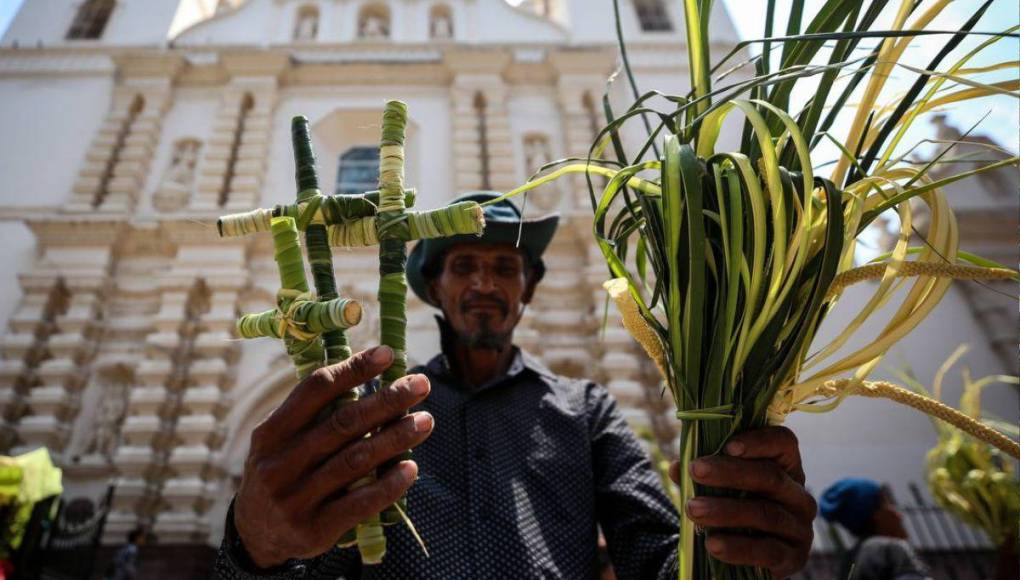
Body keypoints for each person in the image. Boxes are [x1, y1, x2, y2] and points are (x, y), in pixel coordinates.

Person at [215, 192, 818, 579]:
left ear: (527, 289)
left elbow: (656, 555)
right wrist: (255, 551)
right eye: (463, 266)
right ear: (435, 289)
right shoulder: (379, 418)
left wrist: (735, 555)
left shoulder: (587, 411)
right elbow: (320, 563)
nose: (484, 282)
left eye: (505, 267)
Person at [820, 478, 932, 580]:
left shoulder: (850, 561)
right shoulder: (893, 550)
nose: (898, 514)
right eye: (886, 504)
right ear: (874, 514)